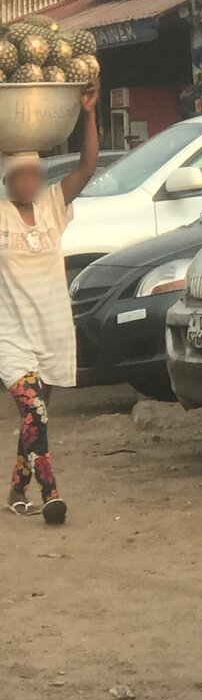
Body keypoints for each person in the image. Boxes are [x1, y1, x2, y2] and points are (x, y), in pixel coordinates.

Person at [0, 81, 100, 524]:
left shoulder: (53, 206)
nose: (28, 181)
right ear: (6, 179)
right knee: (35, 411)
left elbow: (87, 166)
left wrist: (90, 112)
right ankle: (51, 492)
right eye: (19, 175)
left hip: (53, 332)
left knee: (35, 421)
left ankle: (16, 490)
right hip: (12, 337)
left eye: (33, 173)